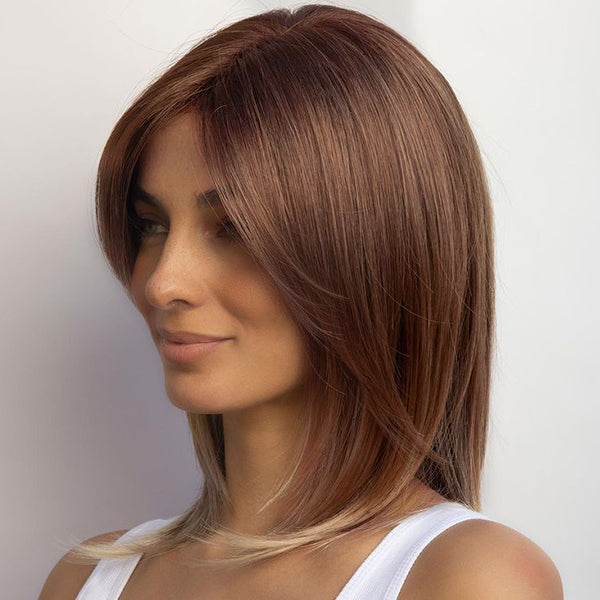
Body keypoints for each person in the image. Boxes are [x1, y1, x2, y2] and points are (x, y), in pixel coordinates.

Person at [39, 4, 563, 599]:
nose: (162, 282)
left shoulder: (468, 579)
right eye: (151, 225)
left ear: (376, 251)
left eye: (235, 229)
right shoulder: (86, 580)